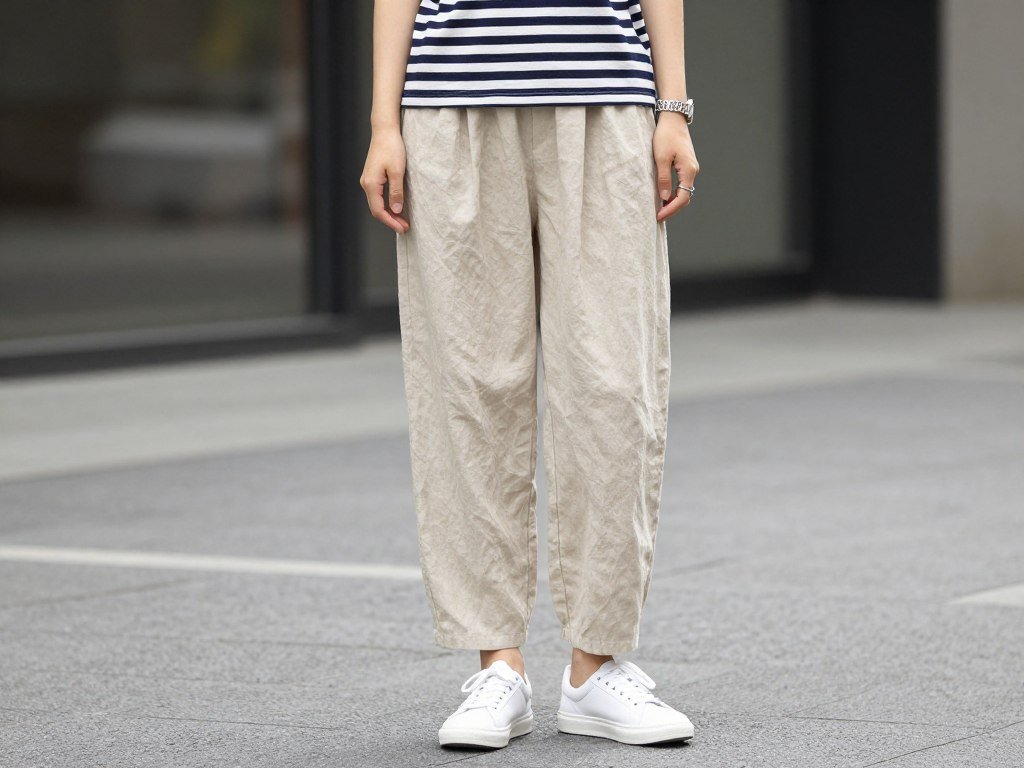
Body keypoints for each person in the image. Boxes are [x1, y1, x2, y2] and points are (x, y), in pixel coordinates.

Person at [360, 0, 700, 750]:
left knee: (615, 387)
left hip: (607, 100)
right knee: (470, 386)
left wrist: (673, 108)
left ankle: (596, 666)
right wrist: (385, 124)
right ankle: (497, 668)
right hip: (452, 105)